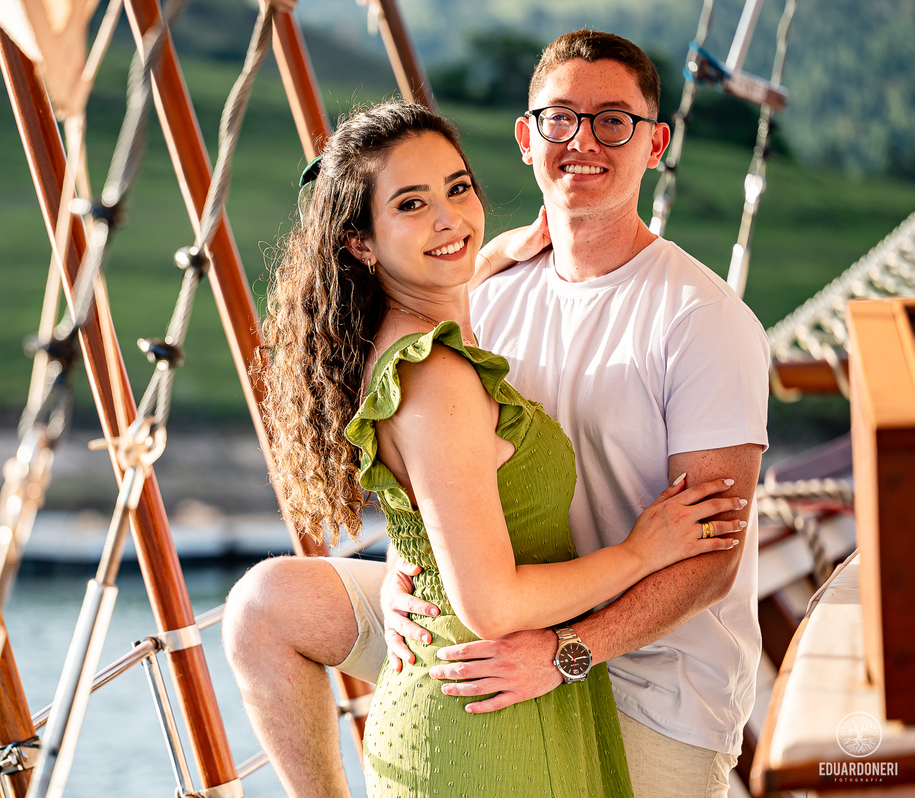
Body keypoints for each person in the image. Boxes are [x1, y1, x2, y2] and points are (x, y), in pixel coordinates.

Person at [223, 30, 768, 798]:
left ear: (656, 145)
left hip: (643, 674)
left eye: (614, 120)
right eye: (560, 118)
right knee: (261, 607)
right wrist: (407, 561)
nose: (583, 139)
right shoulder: (483, 284)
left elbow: (711, 559)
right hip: (495, 603)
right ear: (526, 138)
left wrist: (564, 652)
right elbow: (424, 441)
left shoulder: (703, 319)